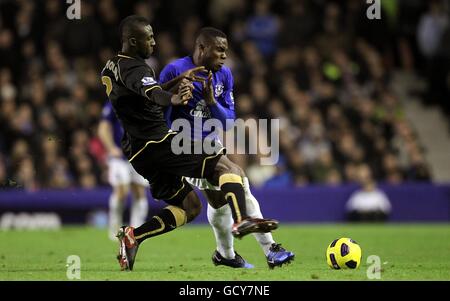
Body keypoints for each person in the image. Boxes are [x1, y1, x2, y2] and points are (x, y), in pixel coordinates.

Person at [100, 15, 278, 271]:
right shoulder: (137, 68)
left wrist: (174, 83)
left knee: (190, 206)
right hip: (159, 142)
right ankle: (241, 220)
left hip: (138, 152)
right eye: (148, 37)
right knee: (225, 169)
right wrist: (172, 98)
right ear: (131, 40)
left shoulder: (111, 67)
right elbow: (155, 95)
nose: (153, 42)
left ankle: (133, 237)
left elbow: (143, 96)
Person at [159, 27, 294, 269]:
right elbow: (156, 108)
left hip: (212, 143)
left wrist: (211, 102)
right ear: (202, 48)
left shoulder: (225, 75)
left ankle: (226, 255)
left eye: (226, 51)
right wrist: (175, 97)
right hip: (183, 147)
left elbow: (228, 122)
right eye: (220, 50)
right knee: (239, 181)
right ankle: (270, 249)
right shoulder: (175, 70)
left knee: (220, 203)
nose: (224, 55)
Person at [98, 101, 149, 240]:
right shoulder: (114, 103)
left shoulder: (143, 102)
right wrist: (110, 148)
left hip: (138, 156)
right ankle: (114, 230)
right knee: (122, 192)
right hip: (119, 157)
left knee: (139, 192)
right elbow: (103, 128)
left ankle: (136, 232)